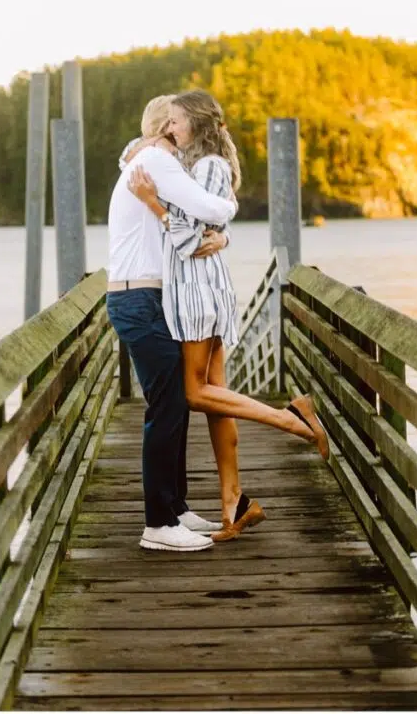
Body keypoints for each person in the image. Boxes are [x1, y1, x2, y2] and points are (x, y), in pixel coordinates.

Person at [129, 90, 328, 541]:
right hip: (202, 287)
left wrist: (153, 204)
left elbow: (187, 241)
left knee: (195, 394)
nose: (170, 129)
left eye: (177, 121)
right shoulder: (196, 168)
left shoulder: (208, 167)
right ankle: (232, 504)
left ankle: (292, 419)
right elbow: (209, 230)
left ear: (196, 124)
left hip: (197, 293)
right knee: (217, 397)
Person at [106, 95, 238, 552]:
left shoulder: (146, 160)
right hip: (138, 298)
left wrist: (217, 235)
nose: (181, 131)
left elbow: (192, 218)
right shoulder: (157, 163)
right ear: (167, 126)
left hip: (144, 297)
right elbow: (214, 207)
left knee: (175, 403)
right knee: (166, 407)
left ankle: (176, 508)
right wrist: (222, 225)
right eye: (176, 121)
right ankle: (158, 524)